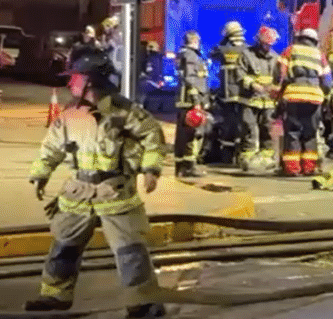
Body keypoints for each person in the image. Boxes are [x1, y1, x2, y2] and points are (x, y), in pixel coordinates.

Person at [24, 48, 166, 317]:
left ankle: (144, 304)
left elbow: (152, 137)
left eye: (75, 77)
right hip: (79, 192)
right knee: (64, 246)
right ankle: (54, 296)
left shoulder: (123, 112)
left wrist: (151, 170)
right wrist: (41, 174)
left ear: (90, 79)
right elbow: (51, 146)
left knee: (130, 253)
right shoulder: (70, 113)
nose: (70, 83)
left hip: (115, 193)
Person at [278, 28, 332, 176]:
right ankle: (309, 167)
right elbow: (327, 81)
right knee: (310, 133)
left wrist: (279, 93)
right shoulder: (320, 55)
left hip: (293, 96)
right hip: (314, 98)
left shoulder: (290, 51)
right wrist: (324, 96)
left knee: (293, 133)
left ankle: (292, 168)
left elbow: (280, 74)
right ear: (315, 41)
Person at [237, 26, 280, 173]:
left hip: (268, 102)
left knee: (267, 130)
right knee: (249, 129)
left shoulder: (275, 58)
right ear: (258, 41)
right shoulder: (247, 55)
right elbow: (239, 74)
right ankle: (247, 159)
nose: (267, 47)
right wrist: (252, 84)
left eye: (270, 45)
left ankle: (267, 159)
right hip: (250, 100)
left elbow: (278, 79)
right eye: (265, 44)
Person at [174, 31, 209, 178]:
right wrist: (196, 101)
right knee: (191, 134)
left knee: (185, 134)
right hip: (189, 101)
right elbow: (191, 79)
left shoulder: (186, 54)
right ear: (194, 40)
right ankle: (188, 166)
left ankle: (183, 166)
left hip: (186, 100)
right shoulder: (191, 56)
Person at [215, 21, 248, 165]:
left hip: (227, 94)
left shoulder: (223, 49)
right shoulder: (247, 50)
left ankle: (227, 157)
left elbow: (214, 52)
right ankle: (240, 154)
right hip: (243, 94)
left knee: (228, 125)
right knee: (242, 124)